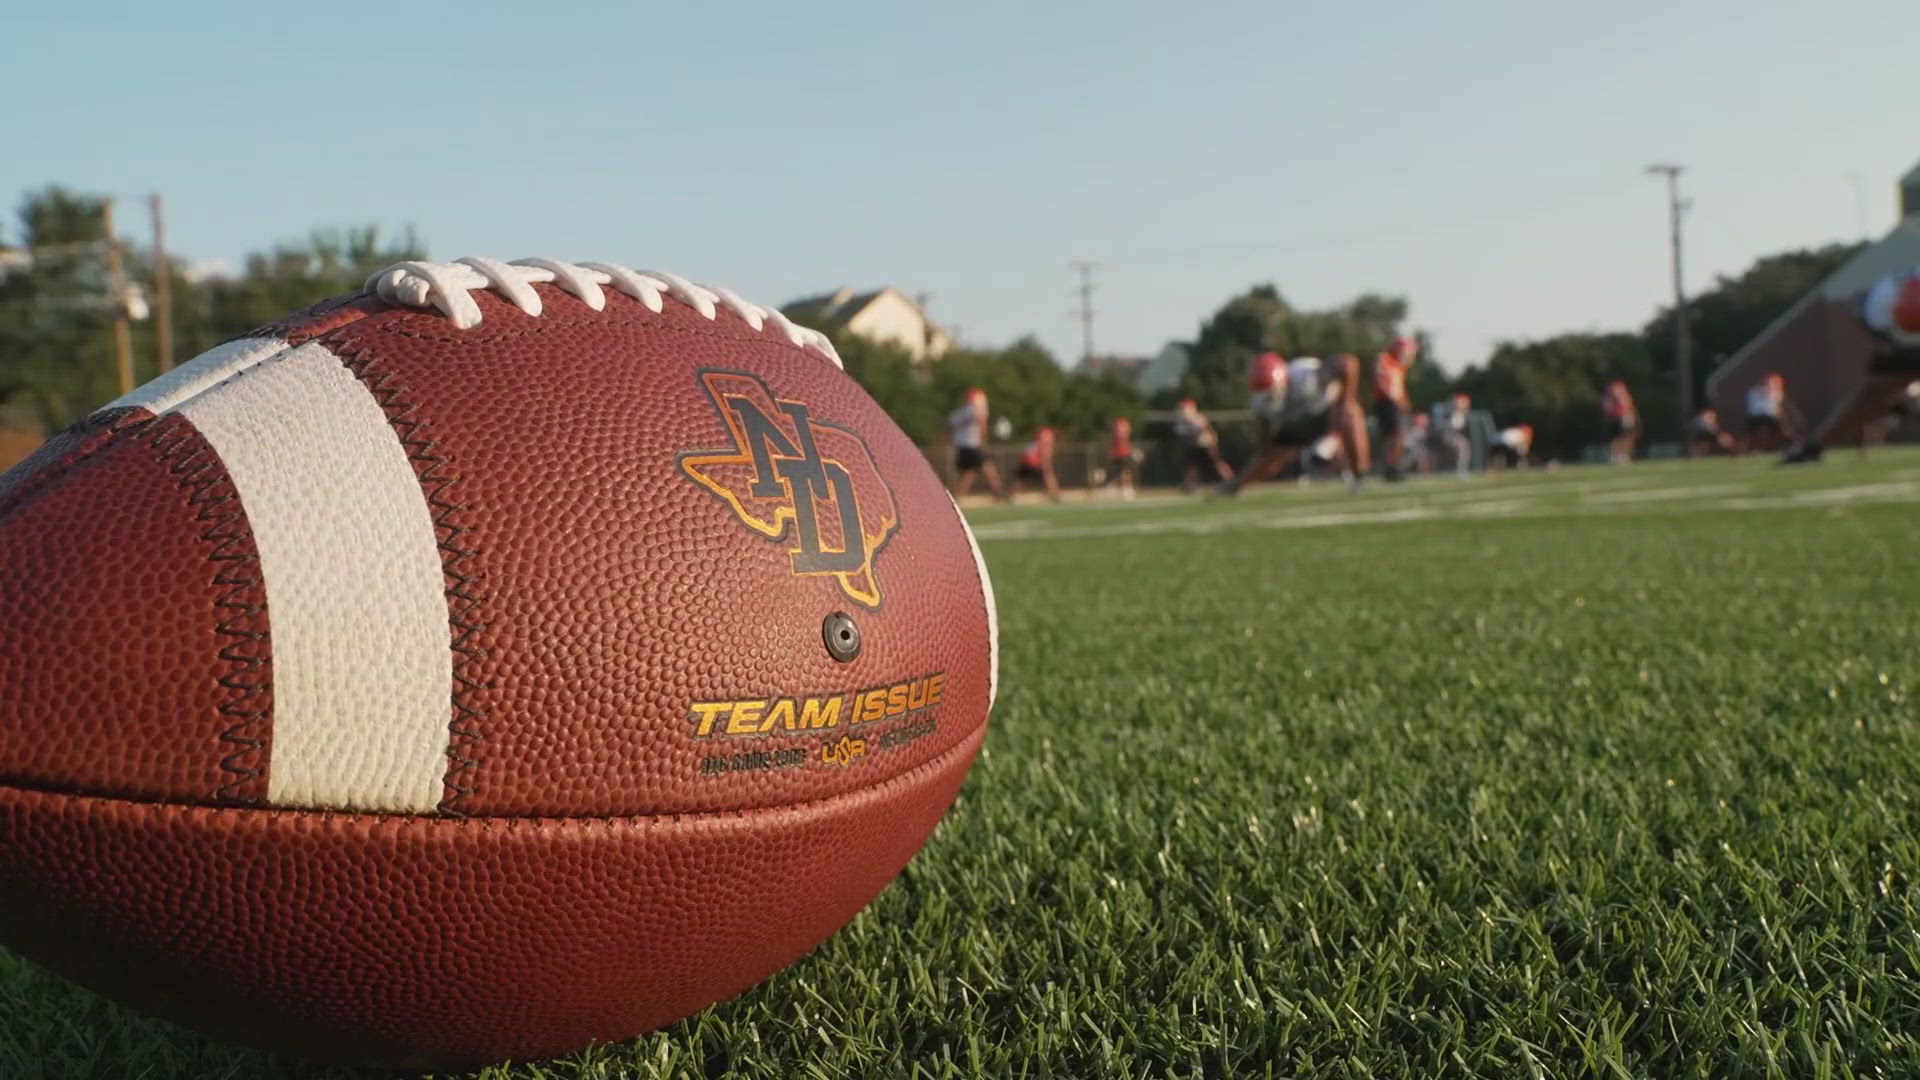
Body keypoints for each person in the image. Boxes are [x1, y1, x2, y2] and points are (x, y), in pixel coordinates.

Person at [1788, 270, 1920, 463]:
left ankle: (1813, 448)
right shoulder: (1888, 303)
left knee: (1872, 398)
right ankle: (1813, 448)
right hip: (1894, 315)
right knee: (1873, 397)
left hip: (1889, 313)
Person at [1217, 351, 1370, 495]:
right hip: (1299, 424)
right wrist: (1268, 454)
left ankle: (1360, 475)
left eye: (1271, 393)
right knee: (1269, 456)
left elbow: (1348, 363)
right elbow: (1264, 445)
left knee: (1350, 413)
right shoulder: (1260, 403)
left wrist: (1345, 400)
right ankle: (1235, 486)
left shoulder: (1305, 374)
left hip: (1326, 412)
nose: (1269, 398)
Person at [947, 388, 1005, 499]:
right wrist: (984, 440)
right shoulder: (975, 410)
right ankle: (998, 492)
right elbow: (982, 423)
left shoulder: (958, 413)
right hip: (973, 445)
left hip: (961, 446)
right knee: (984, 468)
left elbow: (949, 429)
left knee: (971, 472)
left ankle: (957, 496)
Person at [1372, 336, 1416, 480]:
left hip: (1396, 403)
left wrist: (1403, 401)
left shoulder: (1398, 365)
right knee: (1394, 437)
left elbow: (1399, 384)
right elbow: (1381, 379)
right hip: (1387, 403)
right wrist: (1392, 397)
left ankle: (1395, 467)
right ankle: (1390, 467)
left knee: (1399, 437)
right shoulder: (1384, 359)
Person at [1172, 398, 1230, 491]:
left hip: (1206, 445)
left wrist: (1212, 442)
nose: (1182, 410)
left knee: (1218, 463)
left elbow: (1202, 429)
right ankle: (1189, 485)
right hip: (1193, 446)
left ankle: (1230, 481)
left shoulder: (1198, 418)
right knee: (1192, 466)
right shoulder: (1181, 422)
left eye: (1185, 408)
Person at [1744, 373, 1795, 452]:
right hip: (1756, 418)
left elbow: (1775, 408)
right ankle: (1753, 448)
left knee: (1783, 425)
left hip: (1771, 418)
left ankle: (1788, 443)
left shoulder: (1777, 394)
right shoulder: (1753, 392)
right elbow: (1754, 408)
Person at [1011, 426, 1061, 502]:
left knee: (1021, 478)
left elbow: (1026, 455)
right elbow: (1042, 457)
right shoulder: (1041, 445)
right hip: (1031, 464)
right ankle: (1054, 493)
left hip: (1029, 464)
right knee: (1048, 474)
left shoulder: (1037, 444)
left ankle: (1012, 495)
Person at [1602, 380, 1638, 464]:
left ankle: (1619, 455)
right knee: (1623, 437)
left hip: (1617, 416)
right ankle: (1621, 455)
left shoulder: (1613, 389)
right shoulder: (1618, 388)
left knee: (1620, 437)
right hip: (1621, 415)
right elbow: (1624, 403)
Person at [1105, 416, 1138, 498]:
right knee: (1120, 471)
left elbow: (1125, 438)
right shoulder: (1119, 427)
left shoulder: (1121, 427)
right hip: (1119, 453)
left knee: (1126, 471)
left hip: (1124, 453)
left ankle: (1126, 488)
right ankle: (1122, 488)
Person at [1444, 392, 1473, 476]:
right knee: (1463, 444)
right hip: (1449, 435)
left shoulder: (1465, 412)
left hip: (1457, 435)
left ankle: (1462, 468)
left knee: (1464, 444)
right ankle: (1461, 470)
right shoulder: (1452, 411)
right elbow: (1454, 426)